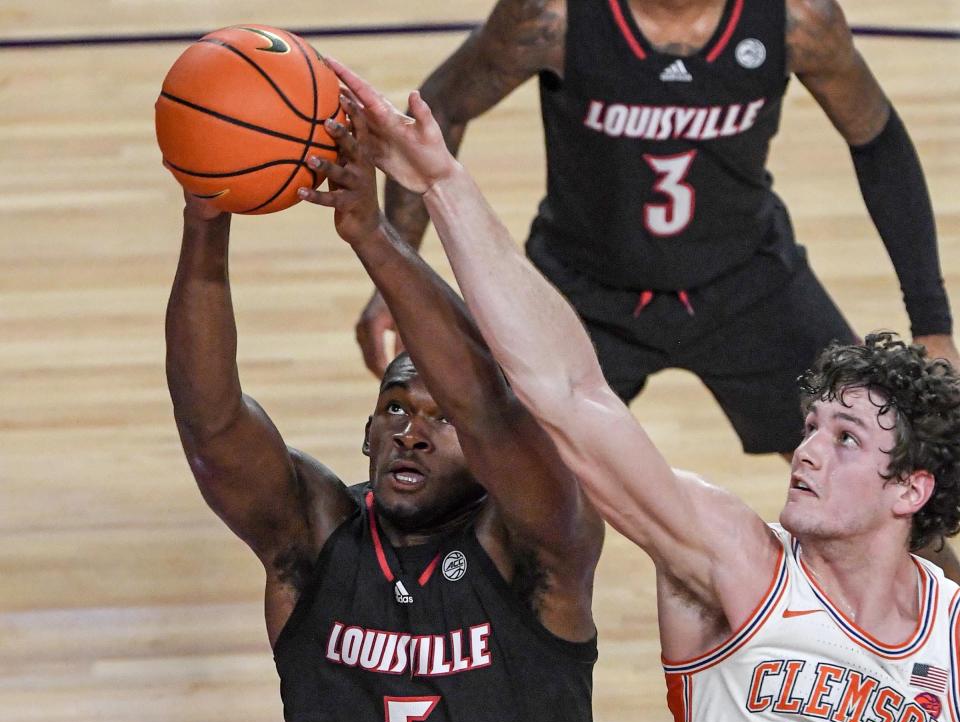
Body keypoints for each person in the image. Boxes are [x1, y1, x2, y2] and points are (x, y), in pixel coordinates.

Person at [324, 61, 960, 722]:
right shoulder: (732, 568)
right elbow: (568, 392)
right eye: (813, 426)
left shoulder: (954, 640)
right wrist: (443, 185)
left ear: (910, 490)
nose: (805, 448)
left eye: (844, 439)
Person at [165, 120, 604, 722]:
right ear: (366, 436)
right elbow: (211, 427)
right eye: (394, 408)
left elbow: (492, 404)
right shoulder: (315, 544)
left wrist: (371, 231)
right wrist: (206, 221)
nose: (410, 430)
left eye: (439, 420)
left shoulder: (537, 552)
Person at [354, 0, 960, 581]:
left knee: (892, 501)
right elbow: (442, 106)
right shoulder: (551, 16)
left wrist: (932, 323)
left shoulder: (797, 19)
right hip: (577, 296)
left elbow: (875, 138)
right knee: (480, 491)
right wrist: (397, 270)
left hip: (748, 285)